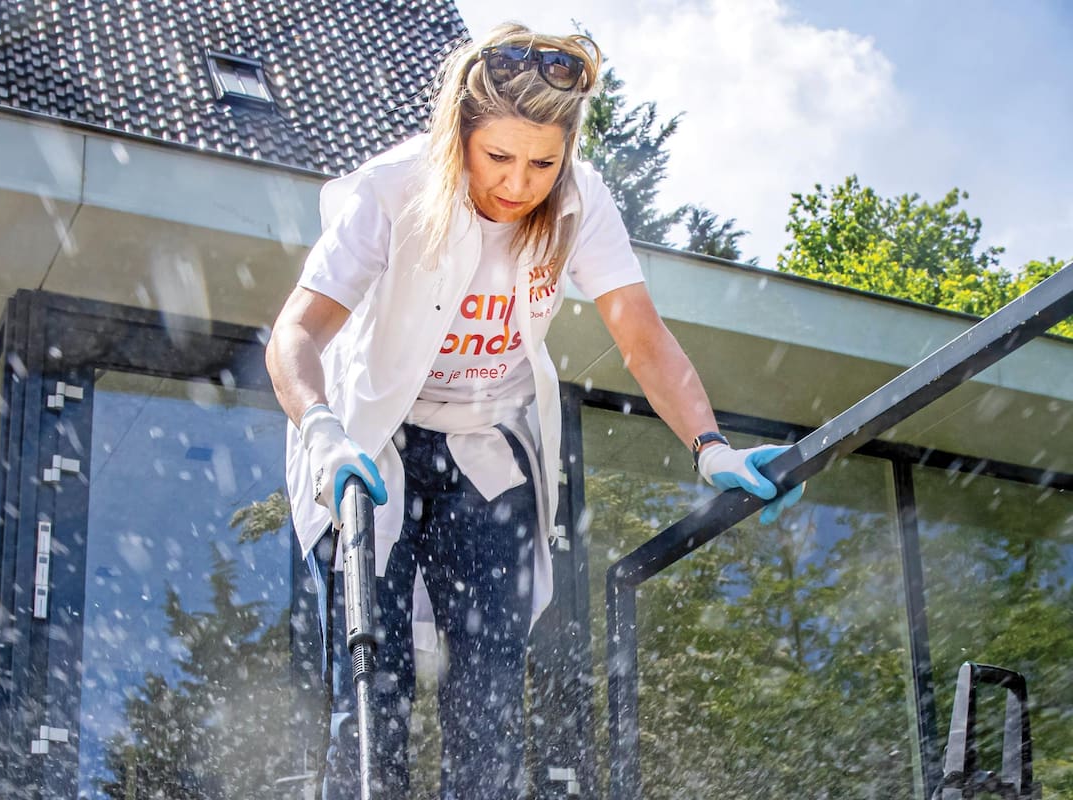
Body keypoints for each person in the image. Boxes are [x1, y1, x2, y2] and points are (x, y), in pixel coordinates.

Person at [266, 22, 804, 799]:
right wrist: (320, 430)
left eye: (542, 163)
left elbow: (641, 335)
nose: (520, 184)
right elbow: (296, 333)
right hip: (370, 442)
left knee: (488, 695)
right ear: (460, 135)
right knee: (372, 687)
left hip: (489, 446)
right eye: (499, 158)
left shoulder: (582, 203)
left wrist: (709, 445)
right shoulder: (392, 190)